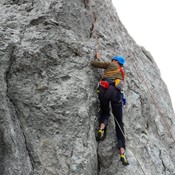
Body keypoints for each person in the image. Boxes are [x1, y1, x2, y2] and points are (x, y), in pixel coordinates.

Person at [91, 54, 129, 166]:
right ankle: (122, 152)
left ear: (115, 61)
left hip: (104, 88)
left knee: (105, 112)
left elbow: (94, 64)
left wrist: (97, 58)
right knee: (119, 123)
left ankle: (101, 130)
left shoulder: (110, 64)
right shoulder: (122, 73)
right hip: (116, 93)